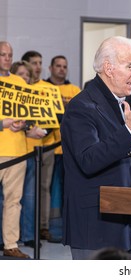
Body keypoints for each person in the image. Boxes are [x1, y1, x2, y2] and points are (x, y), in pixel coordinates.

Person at [60, 36, 131, 260]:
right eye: (130, 66)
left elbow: (125, 165)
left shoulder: (121, 102)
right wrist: (130, 131)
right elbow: (89, 160)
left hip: (122, 221)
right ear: (108, 68)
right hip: (95, 226)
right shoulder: (81, 106)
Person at [21, 50, 57, 241]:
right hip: (21, 146)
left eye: (40, 62)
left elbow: (55, 115)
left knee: (43, 188)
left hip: (47, 144)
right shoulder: (18, 86)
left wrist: (43, 131)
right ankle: (21, 230)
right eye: (34, 63)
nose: (37, 67)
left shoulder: (48, 88)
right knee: (22, 192)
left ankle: (42, 226)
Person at [45, 55, 81, 242]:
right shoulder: (42, 89)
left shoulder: (75, 90)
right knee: (50, 194)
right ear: (50, 68)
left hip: (70, 151)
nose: (61, 69)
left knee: (70, 192)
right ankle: (53, 230)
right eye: (58, 66)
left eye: (64, 66)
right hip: (47, 149)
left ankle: (70, 229)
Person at [0, 41, 30, 258]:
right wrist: (3, 123)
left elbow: (31, 111)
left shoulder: (20, 81)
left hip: (18, 150)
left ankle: (10, 244)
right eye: (3, 54)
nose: (7, 58)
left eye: (9, 55)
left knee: (14, 200)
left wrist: (24, 123)